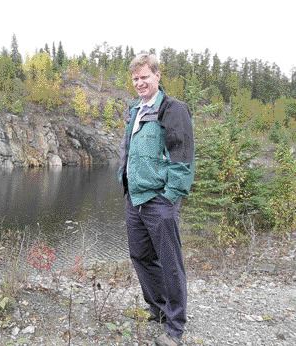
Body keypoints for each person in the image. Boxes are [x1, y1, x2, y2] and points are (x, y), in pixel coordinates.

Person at [118, 53, 195, 346]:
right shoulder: (135, 108)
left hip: (159, 200)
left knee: (170, 261)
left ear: (157, 76)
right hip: (134, 198)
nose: (140, 82)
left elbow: (182, 155)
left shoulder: (173, 109)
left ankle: (175, 326)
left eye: (145, 77)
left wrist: (171, 195)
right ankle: (159, 309)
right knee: (140, 256)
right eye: (135, 78)